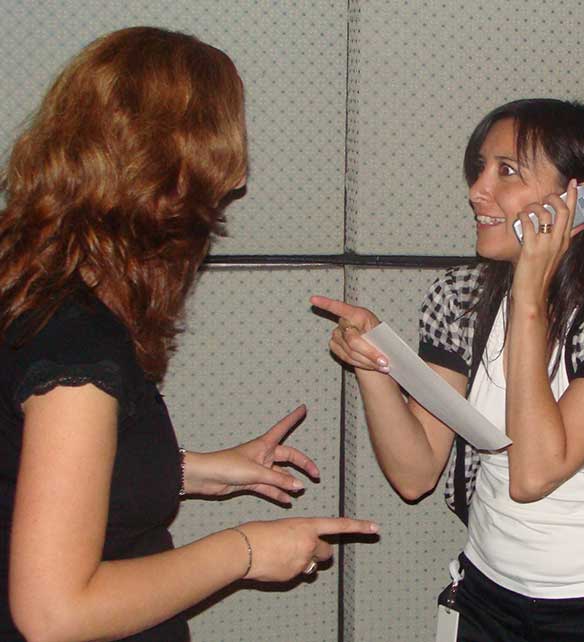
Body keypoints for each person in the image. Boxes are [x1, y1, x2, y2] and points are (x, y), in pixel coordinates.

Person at [0, 27, 378, 642]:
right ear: (172, 170)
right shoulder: (78, 348)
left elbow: (37, 476)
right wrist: (246, 550)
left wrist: (190, 470)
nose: (233, 181)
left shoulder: (35, 287)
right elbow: (55, 613)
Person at [312, 98, 584, 641]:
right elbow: (415, 474)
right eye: (480, 168)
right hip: (489, 594)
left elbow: (534, 474)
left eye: (507, 171)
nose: (477, 190)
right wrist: (374, 365)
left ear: (580, 200)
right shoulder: (460, 296)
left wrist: (530, 295)